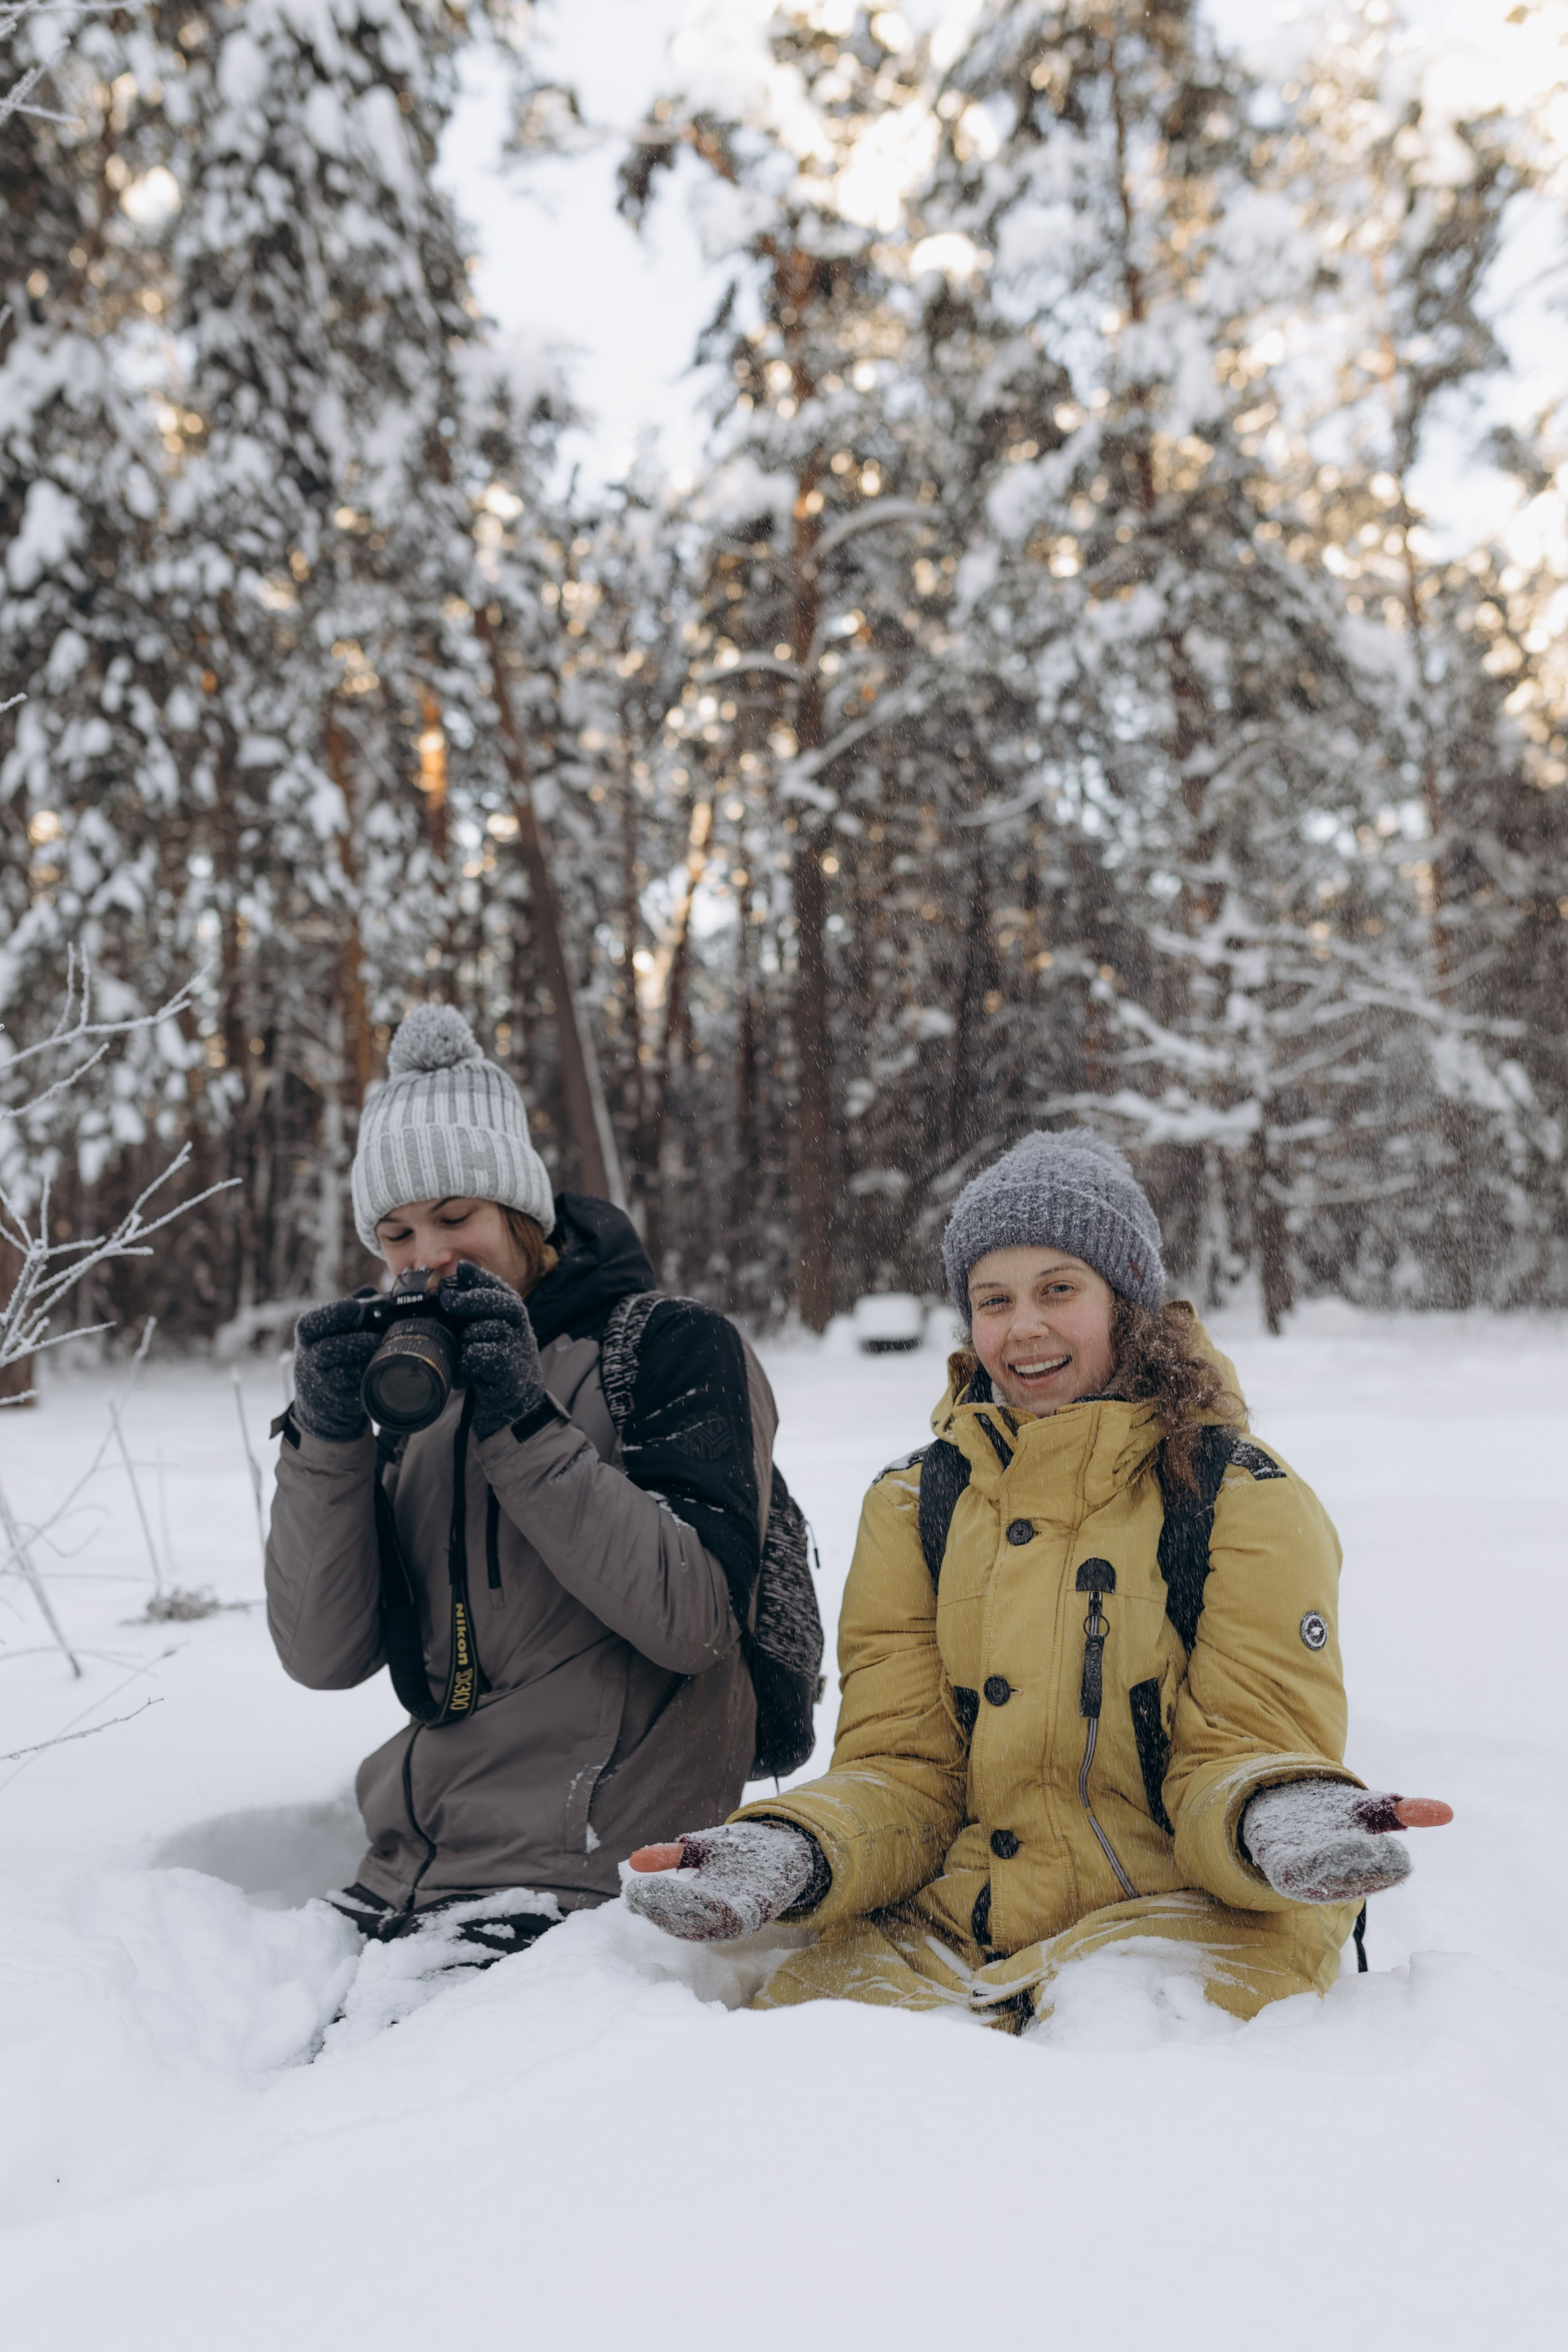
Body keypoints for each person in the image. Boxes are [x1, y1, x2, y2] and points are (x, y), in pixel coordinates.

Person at [625, 1129, 1450, 2026]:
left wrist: (1278, 1813)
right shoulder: (912, 1504)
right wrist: (794, 1849)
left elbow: (1242, 1747)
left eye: (1060, 1289)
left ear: (1126, 1300)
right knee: (800, 2085)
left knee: (1132, 2100)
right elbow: (905, 1771)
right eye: (994, 1300)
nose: (1023, 1328)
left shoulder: (1243, 1496)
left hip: (1191, 1928)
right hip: (952, 1930)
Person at [265, 1003, 778, 1958]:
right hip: (408, 1871)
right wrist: (326, 1439)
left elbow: (697, 1620)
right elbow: (320, 1653)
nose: (426, 1258)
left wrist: (522, 1422)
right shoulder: (414, 1396)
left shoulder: (669, 1348)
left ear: (522, 1211)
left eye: (456, 1217)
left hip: (595, 1881)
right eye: (396, 1233)